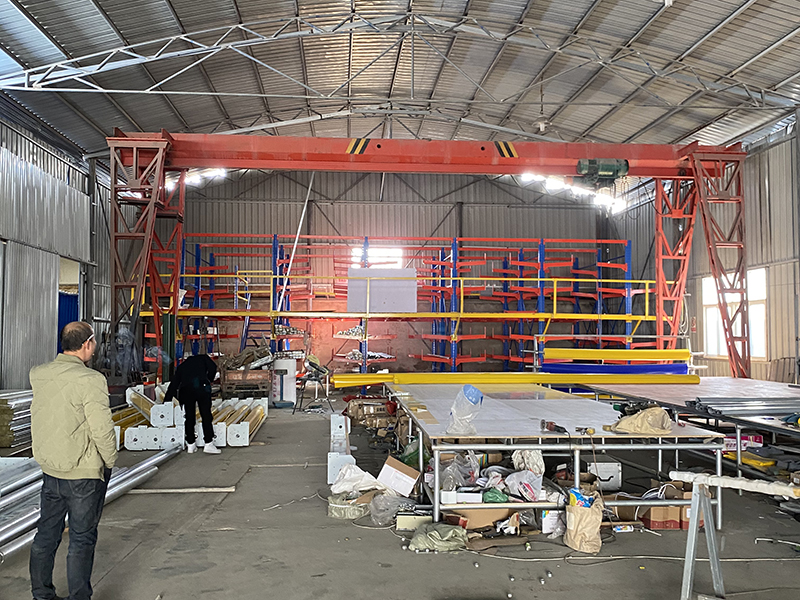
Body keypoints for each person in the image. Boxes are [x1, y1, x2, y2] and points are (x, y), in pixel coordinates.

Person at [29, 321, 117, 600]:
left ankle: (42, 595)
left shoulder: (39, 374)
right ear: (87, 344)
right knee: (81, 539)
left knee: (46, 535)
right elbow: (101, 428)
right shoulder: (90, 380)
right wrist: (110, 460)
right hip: (83, 473)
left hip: (51, 469)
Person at [163, 353, 220, 454]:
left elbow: (174, 384)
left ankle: (191, 444)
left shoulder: (182, 366)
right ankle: (208, 443)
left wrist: (166, 401)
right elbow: (213, 368)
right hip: (201, 388)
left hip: (186, 391)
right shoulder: (204, 358)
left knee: (189, 417)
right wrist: (208, 379)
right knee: (206, 415)